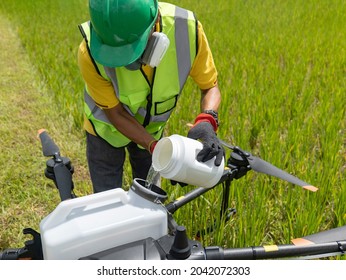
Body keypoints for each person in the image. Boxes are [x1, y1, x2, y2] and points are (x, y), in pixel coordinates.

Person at [78, 0, 224, 193]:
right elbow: (116, 114)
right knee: (106, 201)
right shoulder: (89, 51)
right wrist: (155, 148)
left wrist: (207, 119)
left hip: (153, 130)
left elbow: (210, 87)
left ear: (154, 25)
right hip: (105, 133)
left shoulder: (186, 30)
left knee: (150, 200)